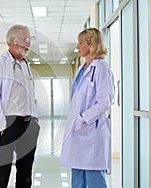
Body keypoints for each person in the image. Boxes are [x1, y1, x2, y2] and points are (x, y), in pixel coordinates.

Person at [59, 27, 115, 188]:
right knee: (77, 175)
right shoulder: (83, 68)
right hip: (78, 131)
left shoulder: (102, 69)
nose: (77, 46)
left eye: (80, 43)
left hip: (91, 131)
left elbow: (105, 102)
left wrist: (83, 119)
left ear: (91, 44)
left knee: (93, 176)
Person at [0, 24, 40, 188]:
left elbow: (29, 95)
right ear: (12, 41)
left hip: (28, 123)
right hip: (9, 123)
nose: (28, 44)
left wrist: (35, 120)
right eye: (26, 39)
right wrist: (1, 124)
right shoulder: (0, 64)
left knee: (25, 172)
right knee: (3, 172)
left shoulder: (25, 64)